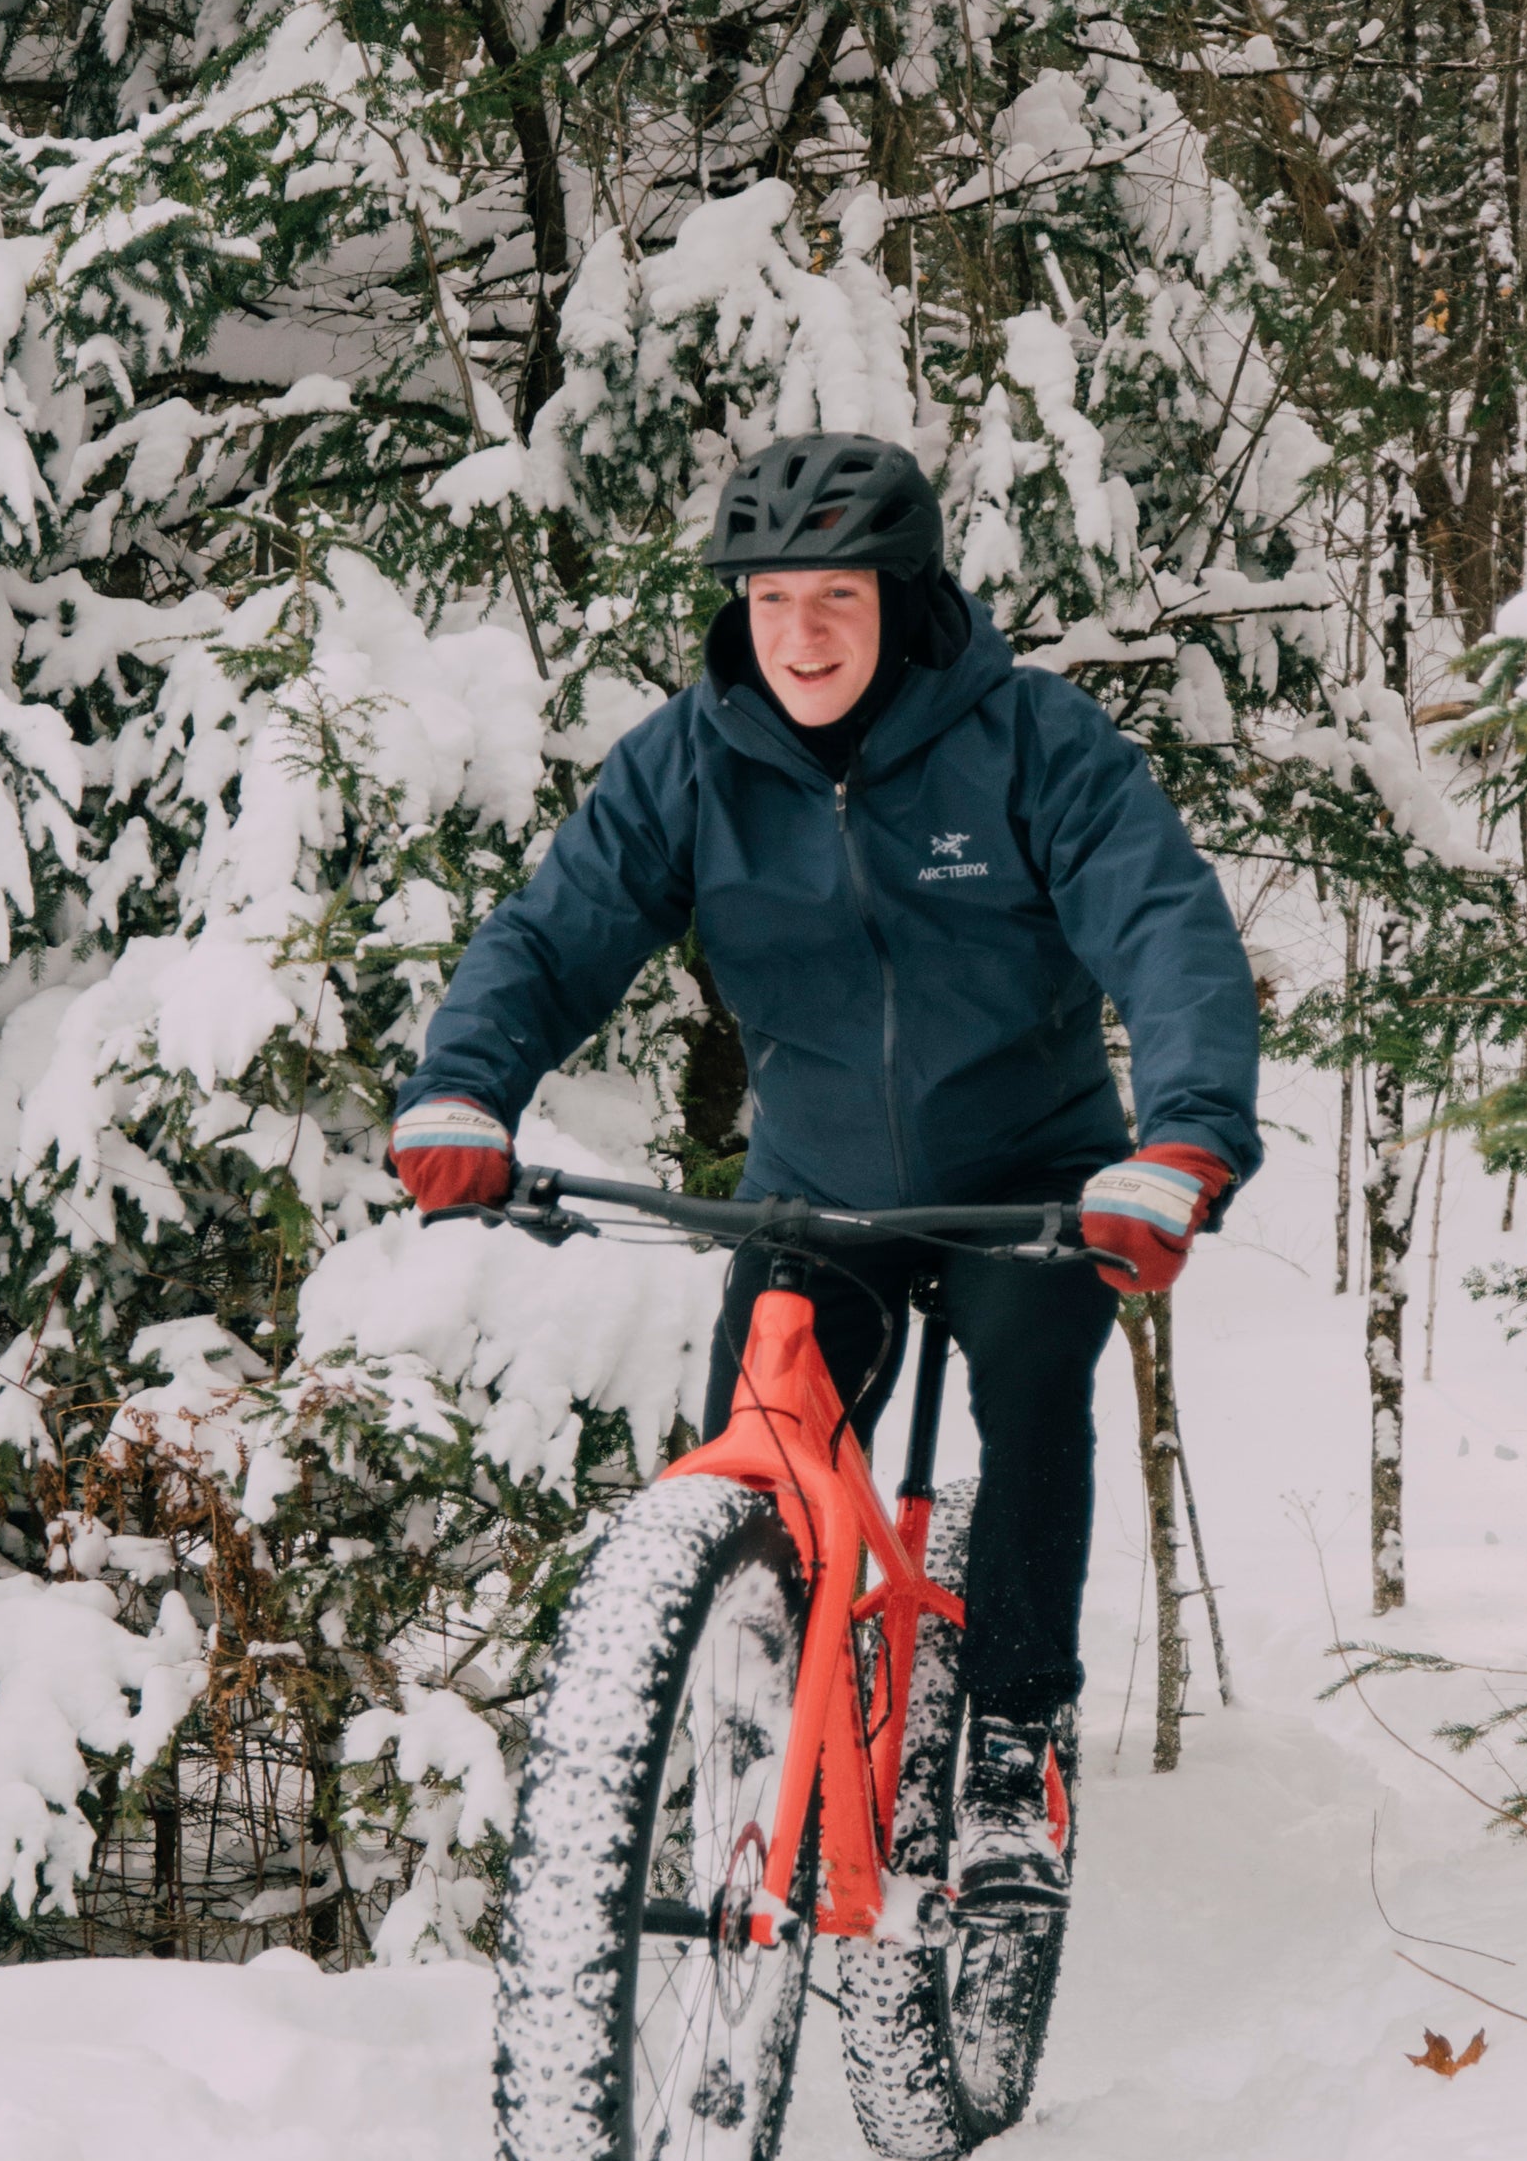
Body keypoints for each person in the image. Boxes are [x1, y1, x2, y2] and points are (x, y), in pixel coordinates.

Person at [389, 427, 1260, 1958]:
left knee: (1036, 1385)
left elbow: (1166, 929)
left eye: (837, 600)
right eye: (775, 598)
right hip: (818, 1183)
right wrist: (466, 1083)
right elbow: (557, 931)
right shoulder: (693, 763)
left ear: (902, 600)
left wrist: (1182, 1138)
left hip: (1032, 1176)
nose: (802, 635)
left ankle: (1007, 1750)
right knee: (763, 1448)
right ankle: (755, 1722)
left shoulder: (1033, 744)